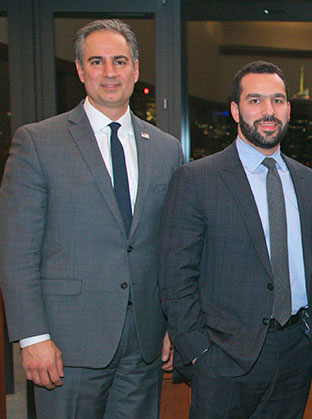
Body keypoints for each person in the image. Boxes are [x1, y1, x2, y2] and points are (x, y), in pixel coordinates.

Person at [0, 19, 182, 417]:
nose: (110, 72)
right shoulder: (38, 142)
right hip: (66, 345)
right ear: (81, 71)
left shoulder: (166, 149)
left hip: (143, 342)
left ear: (135, 68)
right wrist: (33, 336)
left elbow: (168, 248)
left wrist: (169, 324)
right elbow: (17, 251)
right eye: (96, 62)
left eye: (120, 61)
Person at [159, 60, 312, 419]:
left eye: (278, 100)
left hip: (296, 350)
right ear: (236, 110)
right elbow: (175, 277)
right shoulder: (197, 179)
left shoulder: (309, 182)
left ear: (288, 109)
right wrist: (200, 354)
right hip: (224, 359)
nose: (268, 111)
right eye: (255, 100)